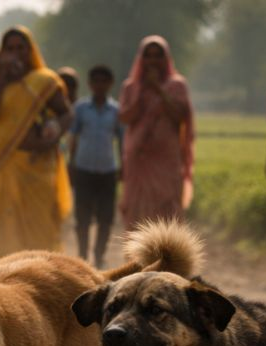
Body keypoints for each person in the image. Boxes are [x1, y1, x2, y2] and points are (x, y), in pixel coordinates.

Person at [0, 26, 72, 270]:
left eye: (20, 48)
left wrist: (50, 138)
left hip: (35, 168)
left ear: (30, 51)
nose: (15, 54)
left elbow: (66, 114)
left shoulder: (44, 81)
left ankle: (39, 274)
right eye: (9, 49)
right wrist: (1, 79)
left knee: (37, 229)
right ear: (1, 53)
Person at [118, 35, 194, 230]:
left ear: (166, 58)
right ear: (141, 59)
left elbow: (179, 116)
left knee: (167, 207)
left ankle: (168, 256)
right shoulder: (131, 86)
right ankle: (138, 258)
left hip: (166, 159)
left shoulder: (177, 85)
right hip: (139, 159)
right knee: (137, 209)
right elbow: (125, 117)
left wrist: (159, 90)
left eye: (157, 56)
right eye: (148, 56)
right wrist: (142, 92)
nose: (153, 61)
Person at [68, 65, 122, 268]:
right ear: (90, 84)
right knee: (82, 217)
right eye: (95, 81)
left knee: (105, 218)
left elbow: (122, 139)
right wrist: (70, 164)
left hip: (108, 170)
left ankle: (99, 255)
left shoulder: (116, 110)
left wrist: (123, 165)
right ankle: (82, 255)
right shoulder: (81, 109)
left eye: (103, 81)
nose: (99, 86)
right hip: (83, 168)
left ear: (110, 84)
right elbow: (73, 137)